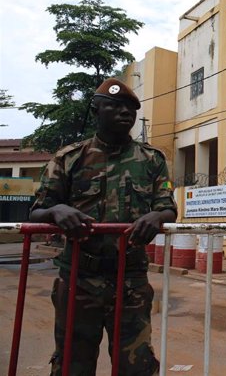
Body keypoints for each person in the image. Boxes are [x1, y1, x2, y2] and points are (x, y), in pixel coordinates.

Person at [30, 78, 177, 376]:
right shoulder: (69, 158)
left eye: (131, 108)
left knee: (135, 367)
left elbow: (168, 207)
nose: (125, 112)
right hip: (79, 277)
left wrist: (157, 217)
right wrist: (57, 210)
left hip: (131, 278)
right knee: (73, 363)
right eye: (115, 105)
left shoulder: (151, 160)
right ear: (96, 110)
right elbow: (36, 212)